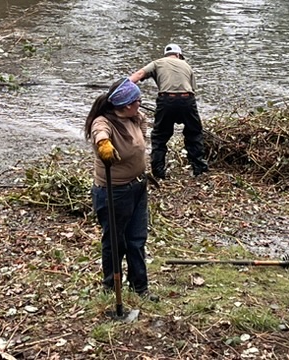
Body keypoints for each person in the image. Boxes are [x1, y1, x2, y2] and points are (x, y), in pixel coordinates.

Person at [84, 78, 158, 302]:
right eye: (137, 101)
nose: (140, 104)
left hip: (138, 186)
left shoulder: (135, 117)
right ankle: (110, 285)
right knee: (116, 242)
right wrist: (104, 145)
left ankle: (139, 287)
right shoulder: (104, 121)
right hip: (114, 192)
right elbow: (99, 132)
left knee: (136, 239)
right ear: (125, 105)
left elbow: (142, 132)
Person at [129, 43, 209, 179]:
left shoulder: (157, 63)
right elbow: (192, 89)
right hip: (187, 100)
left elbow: (139, 74)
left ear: (166, 55)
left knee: (159, 137)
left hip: (166, 100)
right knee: (194, 133)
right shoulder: (187, 65)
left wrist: (121, 88)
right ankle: (199, 170)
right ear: (178, 55)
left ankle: (159, 172)